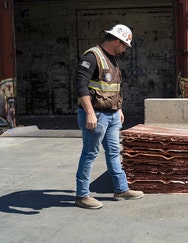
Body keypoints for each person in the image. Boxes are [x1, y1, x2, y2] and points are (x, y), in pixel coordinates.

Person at [74, 24, 144, 209]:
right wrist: (89, 112)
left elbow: (113, 88)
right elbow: (80, 85)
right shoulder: (92, 56)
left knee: (113, 152)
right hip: (96, 115)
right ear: (116, 41)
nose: (124, 50)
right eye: (124, 46)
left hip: (112, 115)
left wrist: (118, 108)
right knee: (90, 153)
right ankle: (82, 195)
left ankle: (121, 190)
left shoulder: (111, 59)